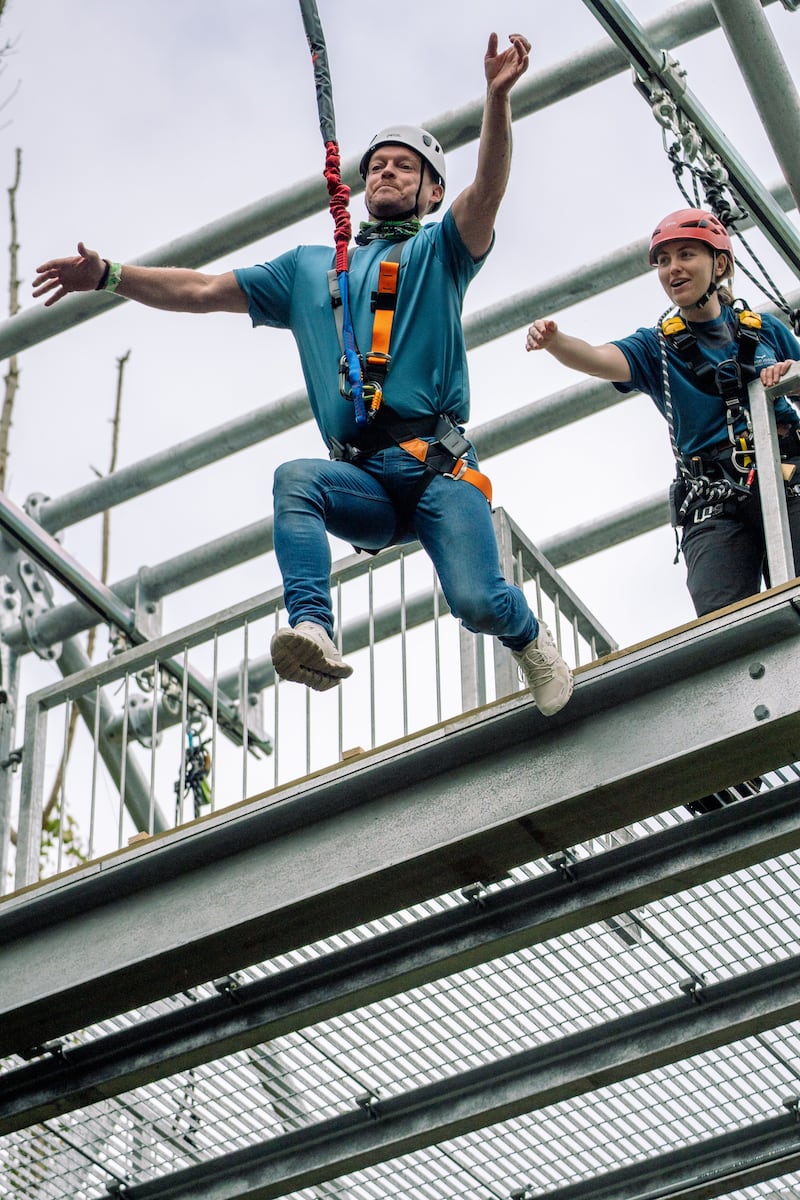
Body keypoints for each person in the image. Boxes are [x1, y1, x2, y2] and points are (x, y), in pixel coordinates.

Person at [33, 33, 573, 717]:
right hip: (364, 479)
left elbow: (488, 190)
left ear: (432, 191)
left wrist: (497, 101)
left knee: (476, 602)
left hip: (437, 469)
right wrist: (112, 276)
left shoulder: (443, 253)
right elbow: (199, 290)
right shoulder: (309, 272)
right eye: (377, 165)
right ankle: (313, 625)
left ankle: (529, 641)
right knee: (297, 480)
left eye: (406, 169)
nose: (386, 174)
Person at [526, 207, 800, 618]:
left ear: (719, 264)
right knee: (726, 624)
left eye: (687, 254)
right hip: (713, 500)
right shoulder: (655, 347)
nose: (674, 269)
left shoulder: (765, 331)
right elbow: (600, 358)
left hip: (788, 477)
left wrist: (788, 376)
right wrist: (556, 341)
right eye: (664, 260)